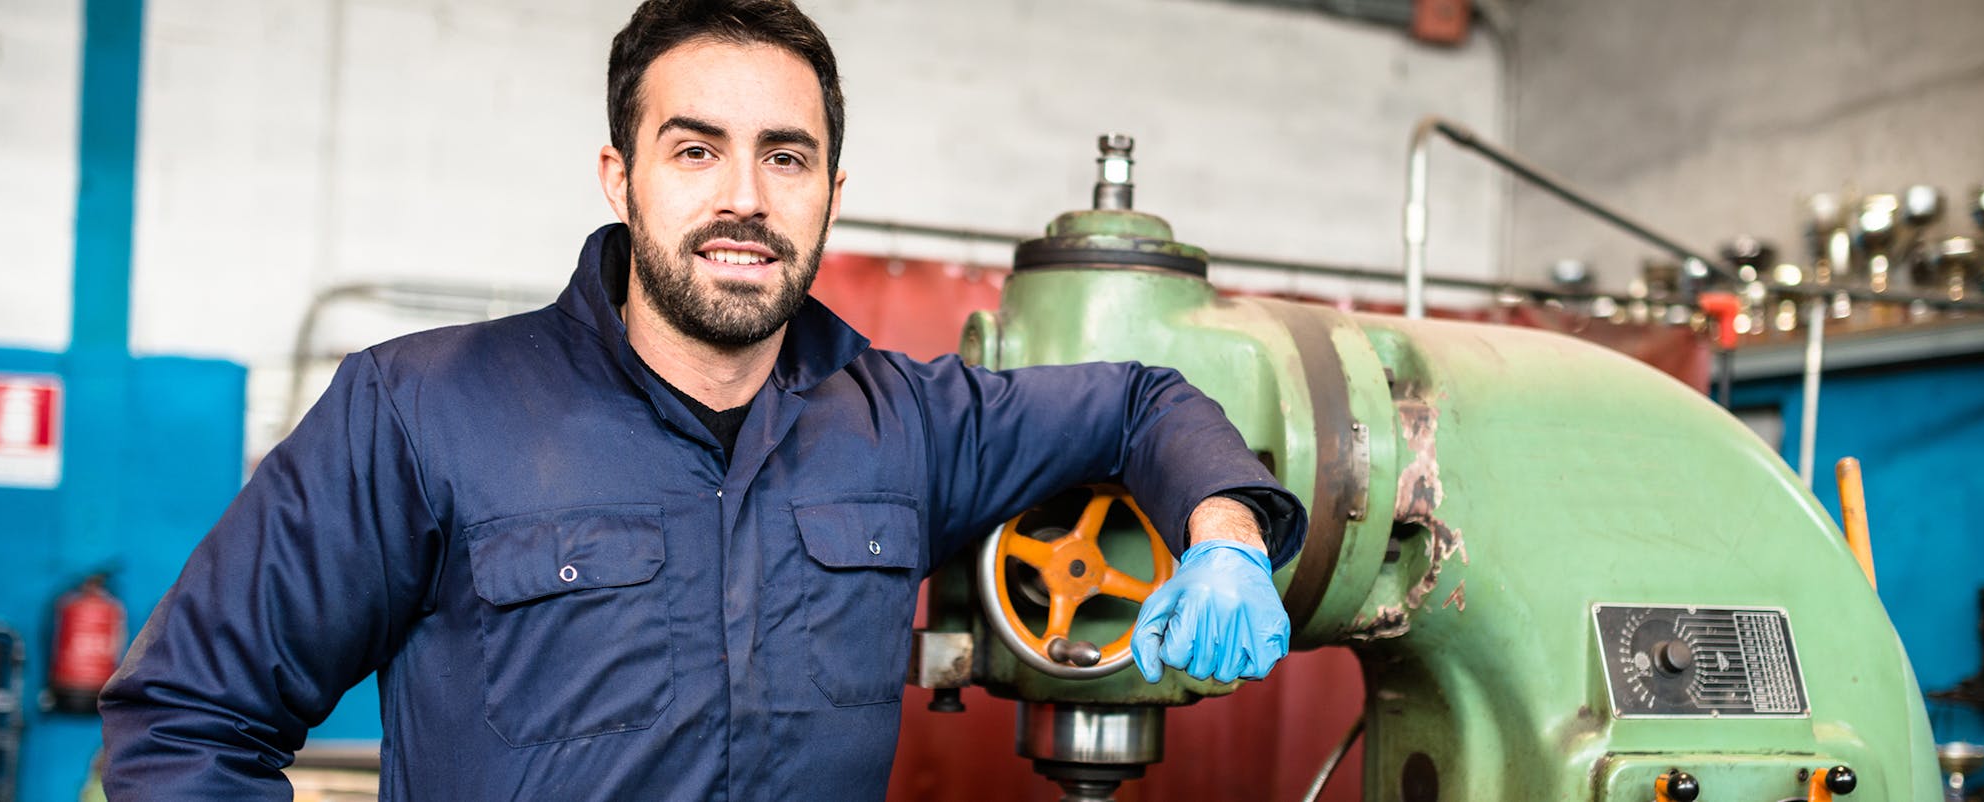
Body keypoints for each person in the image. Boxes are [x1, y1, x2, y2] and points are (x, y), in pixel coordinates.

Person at [99, 0, 1301, 798]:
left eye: (784, 156)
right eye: (694, 150)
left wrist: (1227, 530)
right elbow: (188, 719)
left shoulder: (908, 425)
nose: (744, 196)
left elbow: (1144, 399)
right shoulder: (418, 412)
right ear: (621, 176)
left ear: (832, 188)